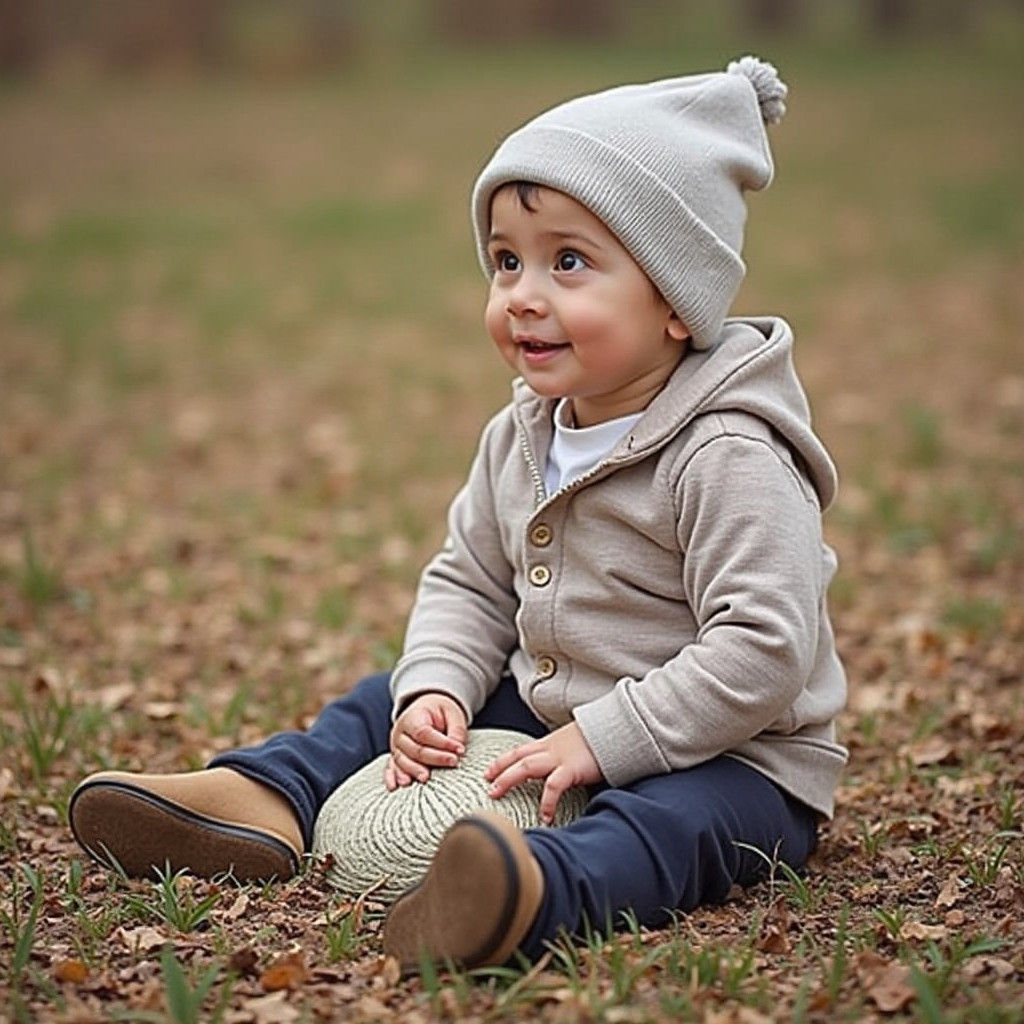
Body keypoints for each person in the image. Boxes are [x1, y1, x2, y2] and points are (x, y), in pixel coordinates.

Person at [70, 55, 847, 970]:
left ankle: (532, 892)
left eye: (568, 262)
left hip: (736, 756)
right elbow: (471, 583)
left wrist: (605, 740)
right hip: (554, 702)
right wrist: (436, 688)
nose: (523, 293)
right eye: (507, 261)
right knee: (379, 700)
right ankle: (267, 799)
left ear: (678, 301)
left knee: (671, 826)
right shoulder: (523, 434)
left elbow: (764, 647)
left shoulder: (729, 454)